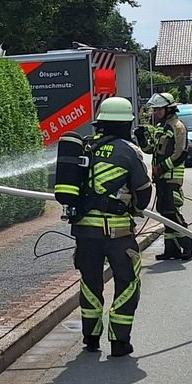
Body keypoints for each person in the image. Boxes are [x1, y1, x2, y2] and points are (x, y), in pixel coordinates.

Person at [69, 96, 153, 358]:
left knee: (90, 283)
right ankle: (119, 342)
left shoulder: (84, 148)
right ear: (125, 125)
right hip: (117, 234)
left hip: (85, 233)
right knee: (127, 283)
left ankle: (91, 338)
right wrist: (136, 208)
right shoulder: (129, 150)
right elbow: (143, 189)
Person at [135, 92, 192, 261]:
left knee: (171, 211)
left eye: (159, 109)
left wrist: (161, 167)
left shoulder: (178, 127)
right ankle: (171, 249)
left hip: (172, 178)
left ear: (168, 109)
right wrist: (141, 139)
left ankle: (188, 243)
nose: (156, 112)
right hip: (161, 178)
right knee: (164, 211)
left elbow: (180, 153)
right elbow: (151, 150)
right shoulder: (161, 127)